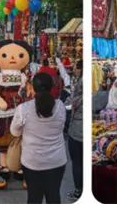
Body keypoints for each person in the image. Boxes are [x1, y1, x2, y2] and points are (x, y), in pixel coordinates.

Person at [10, 72, 67, 204]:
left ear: (32, 87)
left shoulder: (23, 109)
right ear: (52, 86)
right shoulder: (60, 106)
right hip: (57, 161)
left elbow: (14, 132)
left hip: (32, 161)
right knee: (54, 196)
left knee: (34, 197)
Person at [66, 60, 82, 202]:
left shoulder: (78, 94)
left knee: (77, 162)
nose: (74, 69)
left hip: (77, 131)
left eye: (76, 67)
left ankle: (79, 191)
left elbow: (70, 106)